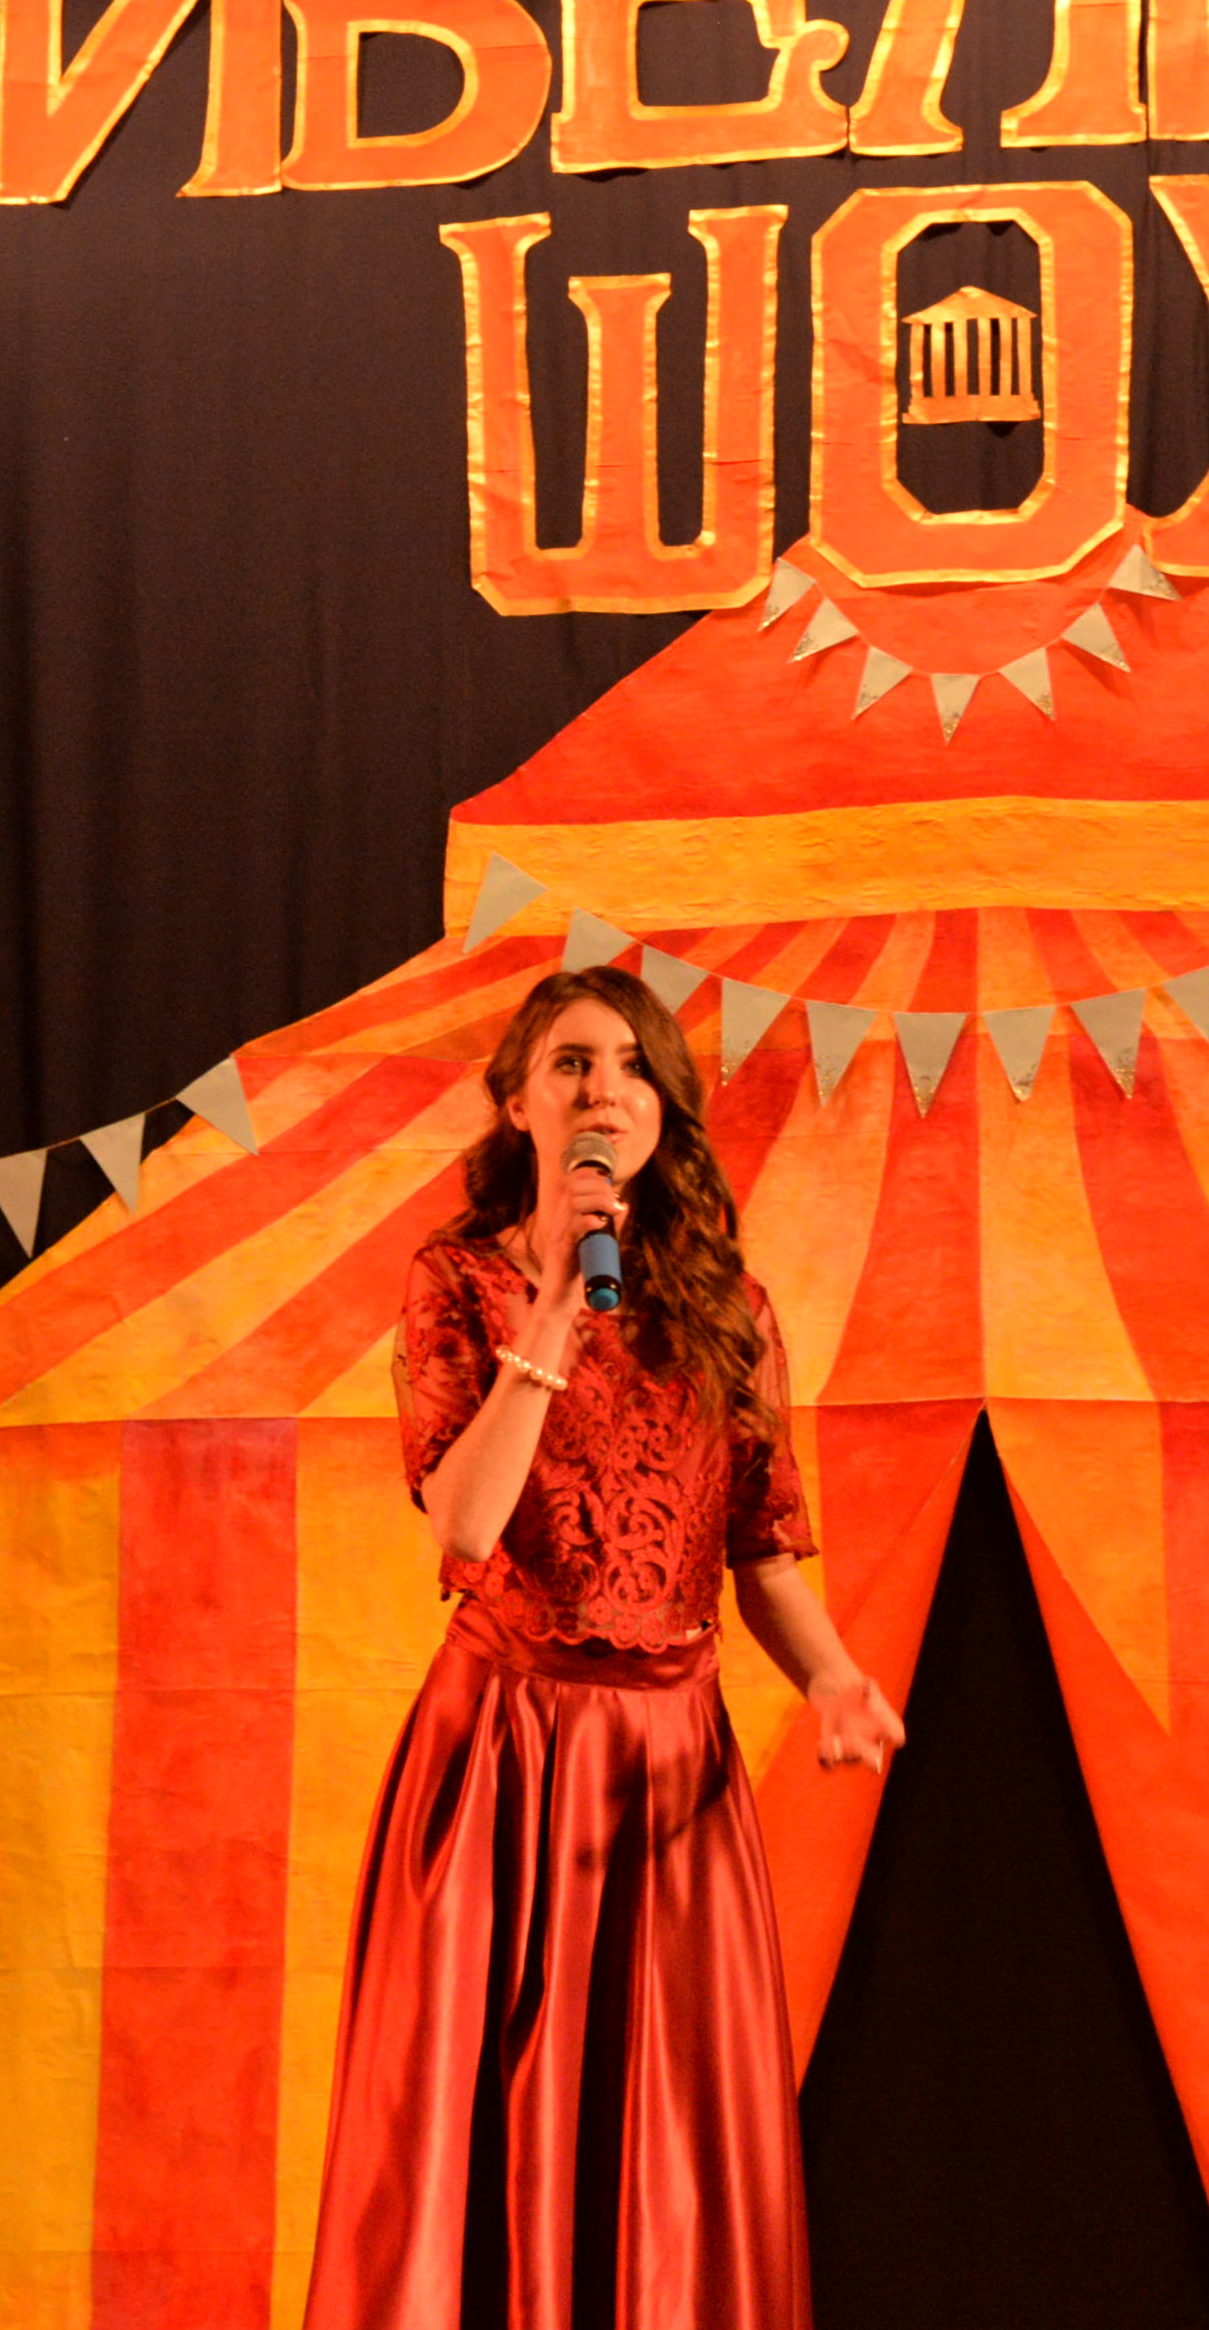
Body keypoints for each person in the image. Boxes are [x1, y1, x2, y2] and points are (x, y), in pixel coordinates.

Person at [300, 965, 907, 2330]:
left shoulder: (728, 1309)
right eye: (573, 1063)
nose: (604, 1091)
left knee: (667, 2142)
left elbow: (757, 1554)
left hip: (670, 1773)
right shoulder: (458, 1282)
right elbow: (465, 1522)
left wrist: (831, 1678)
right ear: (520, 1103)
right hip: (505, 1760)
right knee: (471, 2127)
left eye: (633, 1068)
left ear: (663, 1112)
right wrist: (556, 1318)